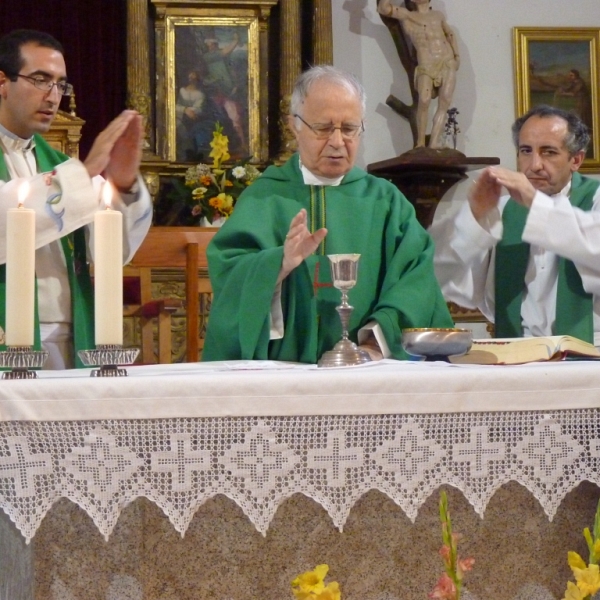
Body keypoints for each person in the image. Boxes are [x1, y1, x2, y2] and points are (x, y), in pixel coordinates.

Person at [203, 65, 453, 363]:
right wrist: (278, 264)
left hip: (369, 373)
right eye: (323, 128)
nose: (337, 142)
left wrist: (375, 342)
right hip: (283, 372)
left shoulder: (385, 201)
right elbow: (228, 276)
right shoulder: (265, 197)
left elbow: (416, 280)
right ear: (294, 125)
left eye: (349, 129)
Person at [0, 29, 152, 369]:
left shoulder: (63, 168)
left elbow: (113, 250)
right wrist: (85, 175)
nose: (53, 96)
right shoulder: (73, 174)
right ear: (3, 82)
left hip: (70, 337)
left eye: (60, 84)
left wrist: (123, 183)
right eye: (41, 80)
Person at [430, 105, 600, 344]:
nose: (535, 165)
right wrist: (475, 218)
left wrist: (535, 203)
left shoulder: (595, 200)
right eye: (526, 151)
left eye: (549, 152)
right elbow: (449, 279)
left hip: (592, 352)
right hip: (518, 349)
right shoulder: (500, 209)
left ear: (576, 159)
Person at [377, 0, 460, 149]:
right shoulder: (407, 15)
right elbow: (383, 8)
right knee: (424, 100)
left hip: (447, 61)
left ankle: (434, 142)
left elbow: (450, 34)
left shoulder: (438, 15)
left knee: (444, 102)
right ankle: (420, 143)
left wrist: (457, 57)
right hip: (426, 64)